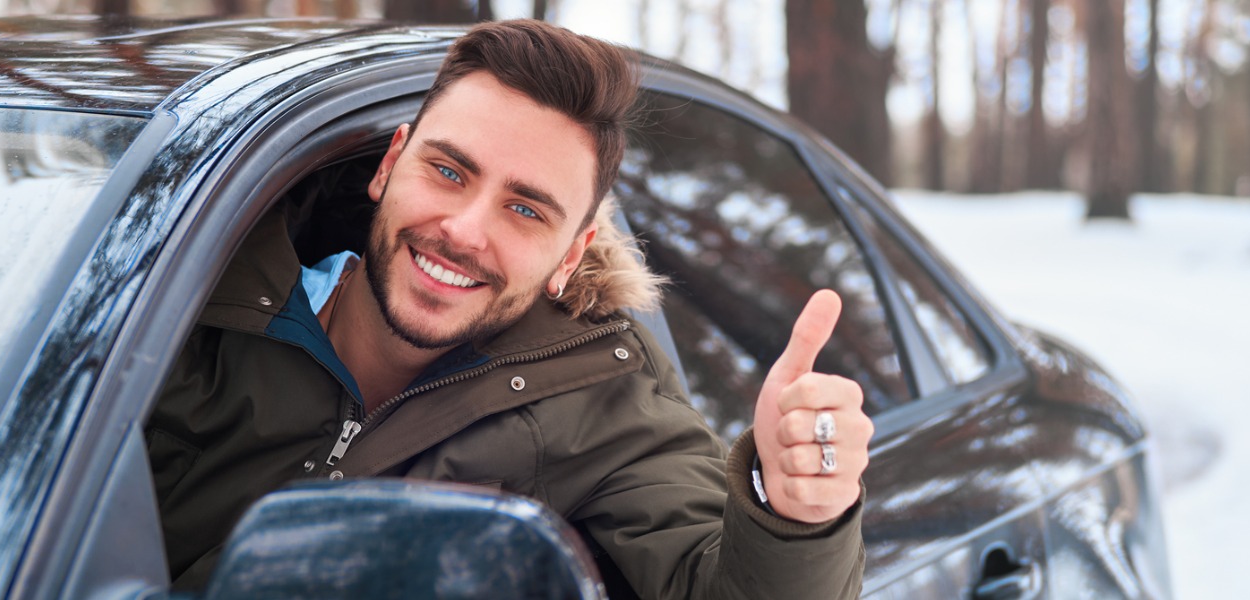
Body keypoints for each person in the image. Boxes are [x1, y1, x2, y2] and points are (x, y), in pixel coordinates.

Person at [145, 19, 872, 599]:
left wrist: (795, 517)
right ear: (392, 163)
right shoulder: (177, 303)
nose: (465, 231)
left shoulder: (603, 401)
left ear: (570, 253)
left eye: (525, 208)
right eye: (449, 170)